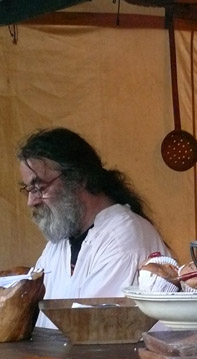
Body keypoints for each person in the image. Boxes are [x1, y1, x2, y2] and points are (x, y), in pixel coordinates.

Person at [18, 127, 170, 328]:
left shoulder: (121, 236)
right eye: (28, 189)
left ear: (78, 178)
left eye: (39, 187)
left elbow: (89, 330)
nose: (31, 201)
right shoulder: (59, 243)